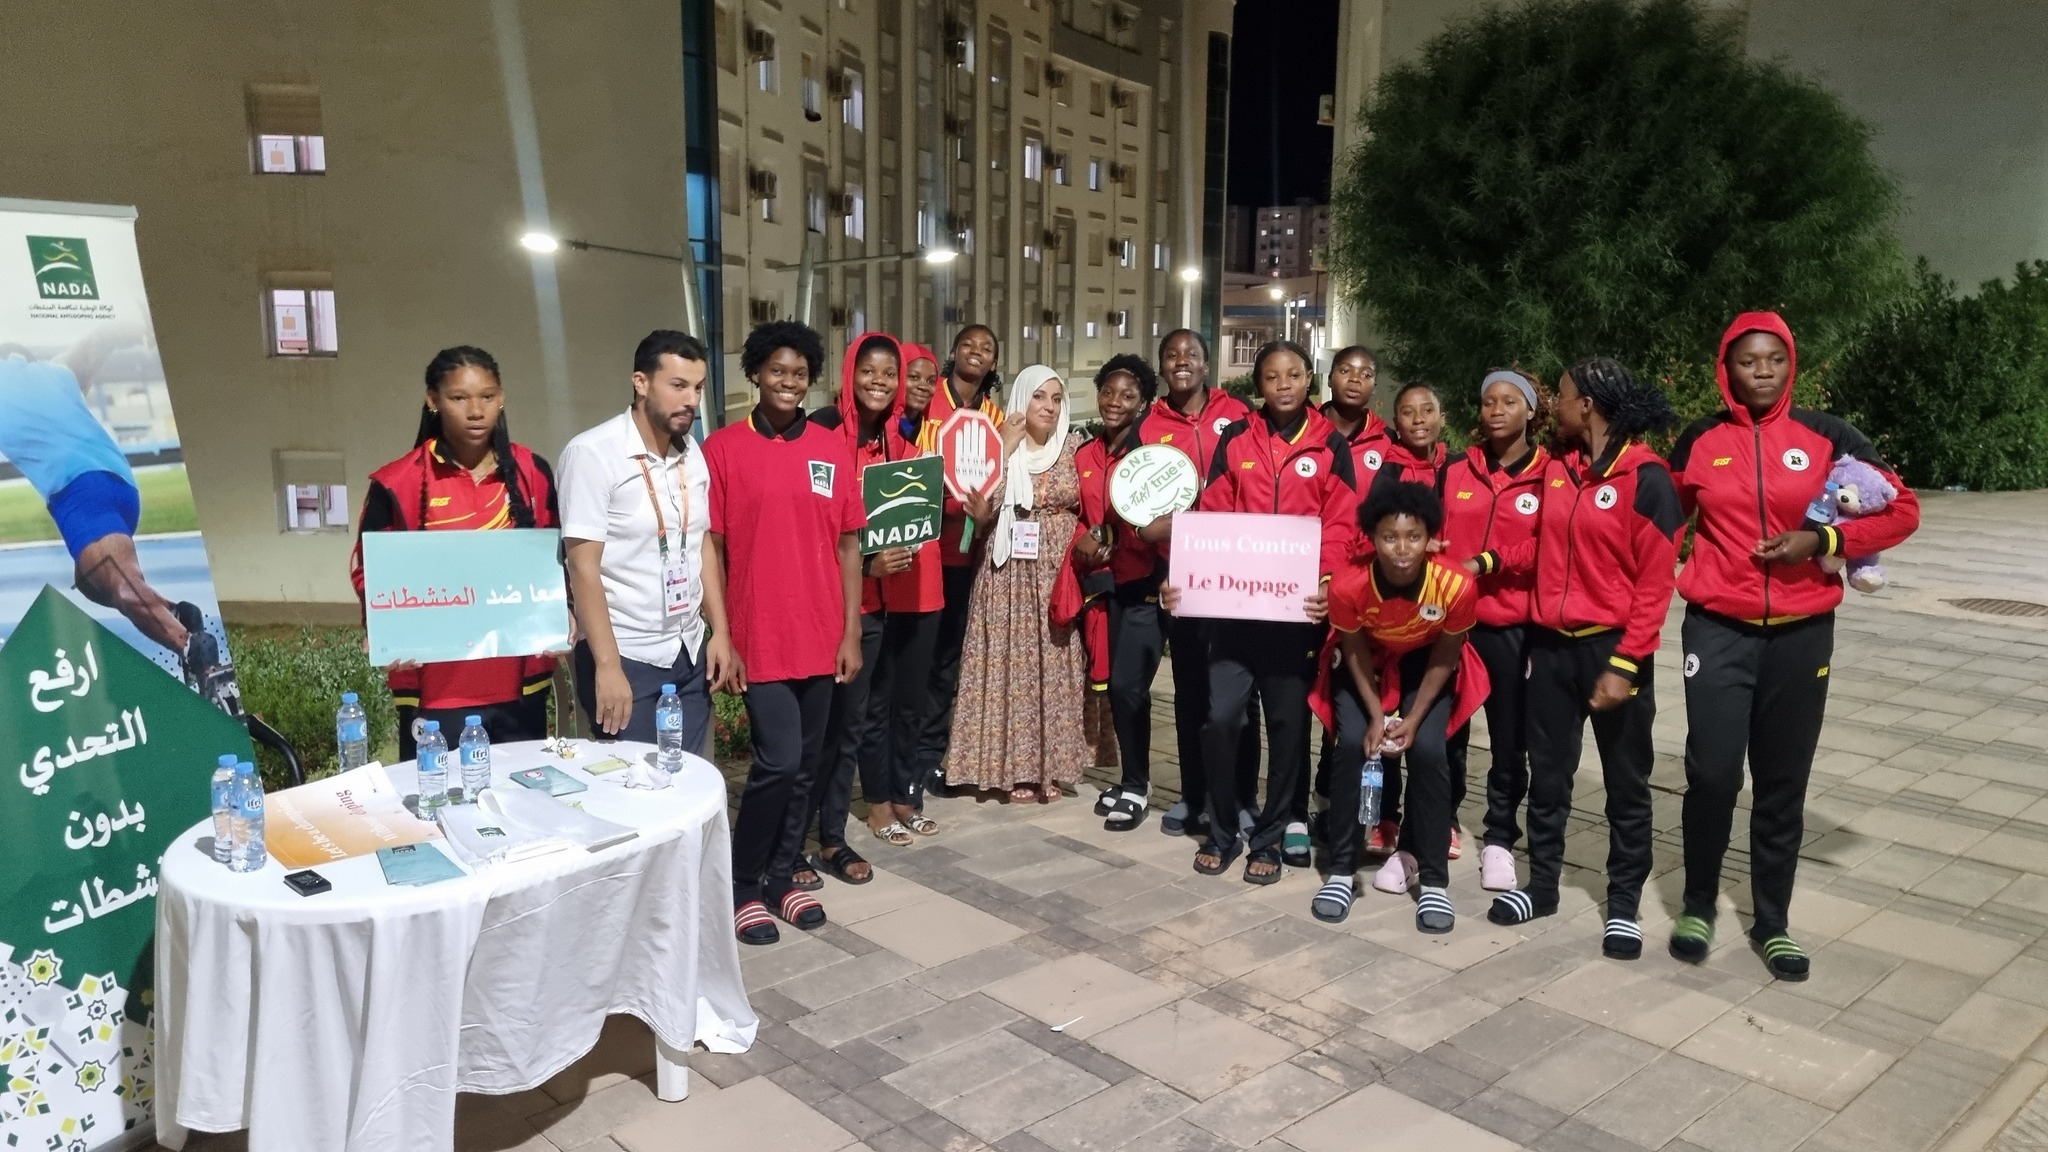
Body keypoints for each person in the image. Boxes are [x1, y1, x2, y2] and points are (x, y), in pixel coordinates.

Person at [1667, 313, 1920, 980]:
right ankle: (1697, 904)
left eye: (1774, 360)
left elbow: (1902, 508)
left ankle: (1773, 922)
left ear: (1790, 364)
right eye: (1748, 360)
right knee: (1714, 773)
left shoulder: (1829, 437)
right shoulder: (1700, 440)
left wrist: (1824, 542)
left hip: (1802, 634)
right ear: (1727, 367)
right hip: (1717, 630)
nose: (1761, 371)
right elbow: (1659, 520)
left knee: (1782, 783)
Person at [1471, 358, 1681, 962]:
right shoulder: (1559, 471)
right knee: (1551, 776)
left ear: (1586, 404)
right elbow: (1534, 542)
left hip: (1612, 651)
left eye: (1560, 396)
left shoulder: (1648, 479)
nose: (1553, 405)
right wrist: (1481, 563)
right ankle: (1542, 888)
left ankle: (1622, 906)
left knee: (1626, 784)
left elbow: (1655, 582)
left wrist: (1627, 663)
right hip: (1550, 649)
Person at [1160, 340, 1358, 883]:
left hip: (1295, 621)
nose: (1285, 384)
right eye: (1273, 376)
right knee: (1222, 719)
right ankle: (1223, 832)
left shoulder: (1329, 446)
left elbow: (1340, 527)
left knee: (1288, 727)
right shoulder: (1236, 440)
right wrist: (1182, 581)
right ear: (1260, 385)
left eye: (1294, 374)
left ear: (1308, 379)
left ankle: (1269, 839)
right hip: (1233, 617)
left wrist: (1327, 582)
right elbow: (1212, 520)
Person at [704, 321, 865, 945]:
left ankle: (780, 876)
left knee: (808, 767)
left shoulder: (833, 449)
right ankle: (742, 884)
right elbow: (710, 549)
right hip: (758, 633)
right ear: (754, 373)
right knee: (777, 760)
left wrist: (850, 631)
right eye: (777, 371)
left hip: (822, 632)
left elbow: (849, 545)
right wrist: (725, 632)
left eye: (799, 373)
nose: (789, 382)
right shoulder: (721, 449)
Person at [0, 341, 237, 712]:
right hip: (121, 486)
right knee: (91, 584)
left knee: (122, 589)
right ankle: (175, 614)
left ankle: (196, 652)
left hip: (77, 495)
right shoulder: (55, 373)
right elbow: (94, 346)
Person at [350, 346, 561, 757]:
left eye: (487, 396)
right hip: (434, 689)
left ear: (502, 397)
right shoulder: (398, 482)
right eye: (459, 398)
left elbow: (555, 560)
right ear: (433, 401)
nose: (476, 410)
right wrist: (384, 626)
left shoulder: (532, 472)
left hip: (520, 682)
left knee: (521, 801)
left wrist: (562, 611)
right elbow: (369, 571)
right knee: (437, 810)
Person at [800, 332, 942, 887]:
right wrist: (862, 569)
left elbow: (906, 510)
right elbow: (813, 531)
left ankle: (831, 835)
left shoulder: (892, 441)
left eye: (889, 374)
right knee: (823, 731)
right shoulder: (821, 431)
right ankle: (800, 837)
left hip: (875, 613)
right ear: (848, 373)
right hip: (829, 609)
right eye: (869, 371)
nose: (880, 383)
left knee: (852, 726)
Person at [1318, 483, 1486, 931]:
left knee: (1430, 752)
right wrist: (1376, 715)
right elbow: (1351, 649)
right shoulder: (1349, 582)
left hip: (1425, 665)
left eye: (1414, 536)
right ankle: (1340, 871)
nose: (1402, 548)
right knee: (1354, 744)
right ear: (1372, 537)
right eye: (1390, 537)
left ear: (1430, 536)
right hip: (1366, 663)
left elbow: (1447, 656)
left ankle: (1433, 882)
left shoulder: (1455, 583)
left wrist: (1411, 719)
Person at [558, 331, 734, 750]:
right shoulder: (593, 454)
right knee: (629, 793)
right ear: (641, 383)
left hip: (688, 649)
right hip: (626, 654)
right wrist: (607, 665)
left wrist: (720, 632)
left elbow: (701, 545)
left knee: (686, 784)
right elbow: (583, 567)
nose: (691, 400)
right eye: (678, 386)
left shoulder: (692, 453)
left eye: (698, 387)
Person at [946, 365, 1095, 800]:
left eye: (1056, 398)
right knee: (1008, 669)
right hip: (1005, 576)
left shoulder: (1074, 448)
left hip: (1055, 577)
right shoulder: (995, 446)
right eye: (1038, 397)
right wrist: (1005, 447)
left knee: (1052, 670)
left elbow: (1091, 508)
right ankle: (1004, 770)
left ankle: (1047, 767)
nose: (1048, 406)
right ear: (1021, 400)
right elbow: (974, 523)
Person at [1137, 328, 1260, 839]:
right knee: (1189, 690)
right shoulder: (1149, 425)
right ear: (1162, 367)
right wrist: (1151, 528)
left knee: (1237, 694)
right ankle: (1192, 795)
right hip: (1183, 578)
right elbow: (1139, 509)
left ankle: (1242, 797)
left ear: (1208, 365)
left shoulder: (1242, 416)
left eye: (1192, 354)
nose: (1182, 361)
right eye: (1172, 355)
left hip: (1241, 576)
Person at [1436, 369, 1550, 891]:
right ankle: (1443, 822)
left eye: (1509, 401)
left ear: (1531, 410)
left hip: (1512, 626)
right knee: (1447, 731)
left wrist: (1488, 561)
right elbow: (1434, 530)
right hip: (1453, 623)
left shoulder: (1550, 472)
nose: (1496, 410)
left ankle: (1501, 835)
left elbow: (1549, 544)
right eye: (1488, 402)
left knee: (1510, 739)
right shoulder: (1457, 467)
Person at [912, 325, 1005, 800]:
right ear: (953, 350)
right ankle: (900, 757)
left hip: (965, 559)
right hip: (918, 554)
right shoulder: (928, 400)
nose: (976, 352)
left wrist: (986, 512)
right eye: (969, 344)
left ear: (993, 363)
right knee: (912, 661)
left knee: (947, 663)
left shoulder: (995, 417)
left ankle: (928, 759)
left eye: (986, 349)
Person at [1359, 380, 1451, 858]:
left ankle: (1442, 818)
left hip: (1447, 611)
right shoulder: (1390, 469)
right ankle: (1385, 818)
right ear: (1395, 423)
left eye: (1427, 410)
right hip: (1396, 617)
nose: (1419, 419)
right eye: (1409, 412)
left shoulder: (1456, 465)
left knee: (1444, 731)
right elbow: (1372, 532)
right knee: (1391, 718)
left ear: (1441, 417)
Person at [1077, 354, 1164, 830]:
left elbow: (1160, 520)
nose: (1116, 402)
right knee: (1113, 689)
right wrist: (1084, 542)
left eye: (1128, 395)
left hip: (1142, 590)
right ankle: (1132, 776)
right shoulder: (1085, 455)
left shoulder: (1150, 457)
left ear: (1144, 402)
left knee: (1131, 688)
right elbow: (1074, 518)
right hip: (1100, 592)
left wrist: (1113, 534)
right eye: (1109, 392)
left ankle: (1137, 784)